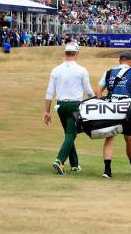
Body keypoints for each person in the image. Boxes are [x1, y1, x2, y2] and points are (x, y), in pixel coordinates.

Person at [94, 50, 131, 178]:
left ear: (120, 60)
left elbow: (98, 90)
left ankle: (107, 170)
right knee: (129, 138)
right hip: (128, 109)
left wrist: (102, 105)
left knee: (109, 138)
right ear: (130, 60)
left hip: (111, 109)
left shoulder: (108, 72)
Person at [44, 43, 95, 175]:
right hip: (75, 107)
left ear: (65, 53)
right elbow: (88, 91)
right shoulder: (82, 70)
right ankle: (59, 161)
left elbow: (49, 93)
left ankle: (75, 164)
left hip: (60, 106)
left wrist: (47, 112)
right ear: (77, 53)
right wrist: (96, 101)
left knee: (68, 133)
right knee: (71, 134)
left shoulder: (56, 70)